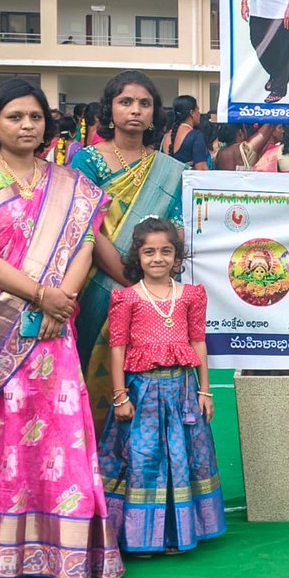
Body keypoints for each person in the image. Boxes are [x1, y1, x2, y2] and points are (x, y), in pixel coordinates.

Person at [0, 78, 123, 578]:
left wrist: (61, 302)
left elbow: (85, 246)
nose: (27, 125)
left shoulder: (71, 183)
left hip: (54, 323)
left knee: (60, 428)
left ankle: (64, 545)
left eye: (35, 117)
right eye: (15, 117)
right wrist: (40, 295)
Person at [98, 218, 224, 555]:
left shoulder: (191, 296)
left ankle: (176, 534)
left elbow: (199, 342)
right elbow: (118, 348)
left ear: (177, 257)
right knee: (143, 459)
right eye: (149, 252)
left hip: (182, 391)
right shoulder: (126, 299)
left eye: (166, 251)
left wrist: (205, 390)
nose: (158, 258)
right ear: (137, 257)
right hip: (142, 396)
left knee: (182, 460)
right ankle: (141, 537)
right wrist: (120, 395)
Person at [72, 71, 185, 433]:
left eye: (144, 103)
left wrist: (149, 281)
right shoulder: (87, 162)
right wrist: (128, 280)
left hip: (153, 292)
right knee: (93, 370)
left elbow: (178, 230)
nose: (135, 110)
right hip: (98, 288)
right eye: (125, 102)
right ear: (110, 109)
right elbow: (85, 228)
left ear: (155, 114)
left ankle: (140, 467)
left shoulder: (171, 170)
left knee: (147, 382)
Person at [161, 95, 210, 170]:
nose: (199, 113)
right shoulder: (195, 136)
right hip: (186, 181)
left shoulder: (166, 136)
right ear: (191, 112)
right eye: (198, 110)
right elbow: (202, 169)